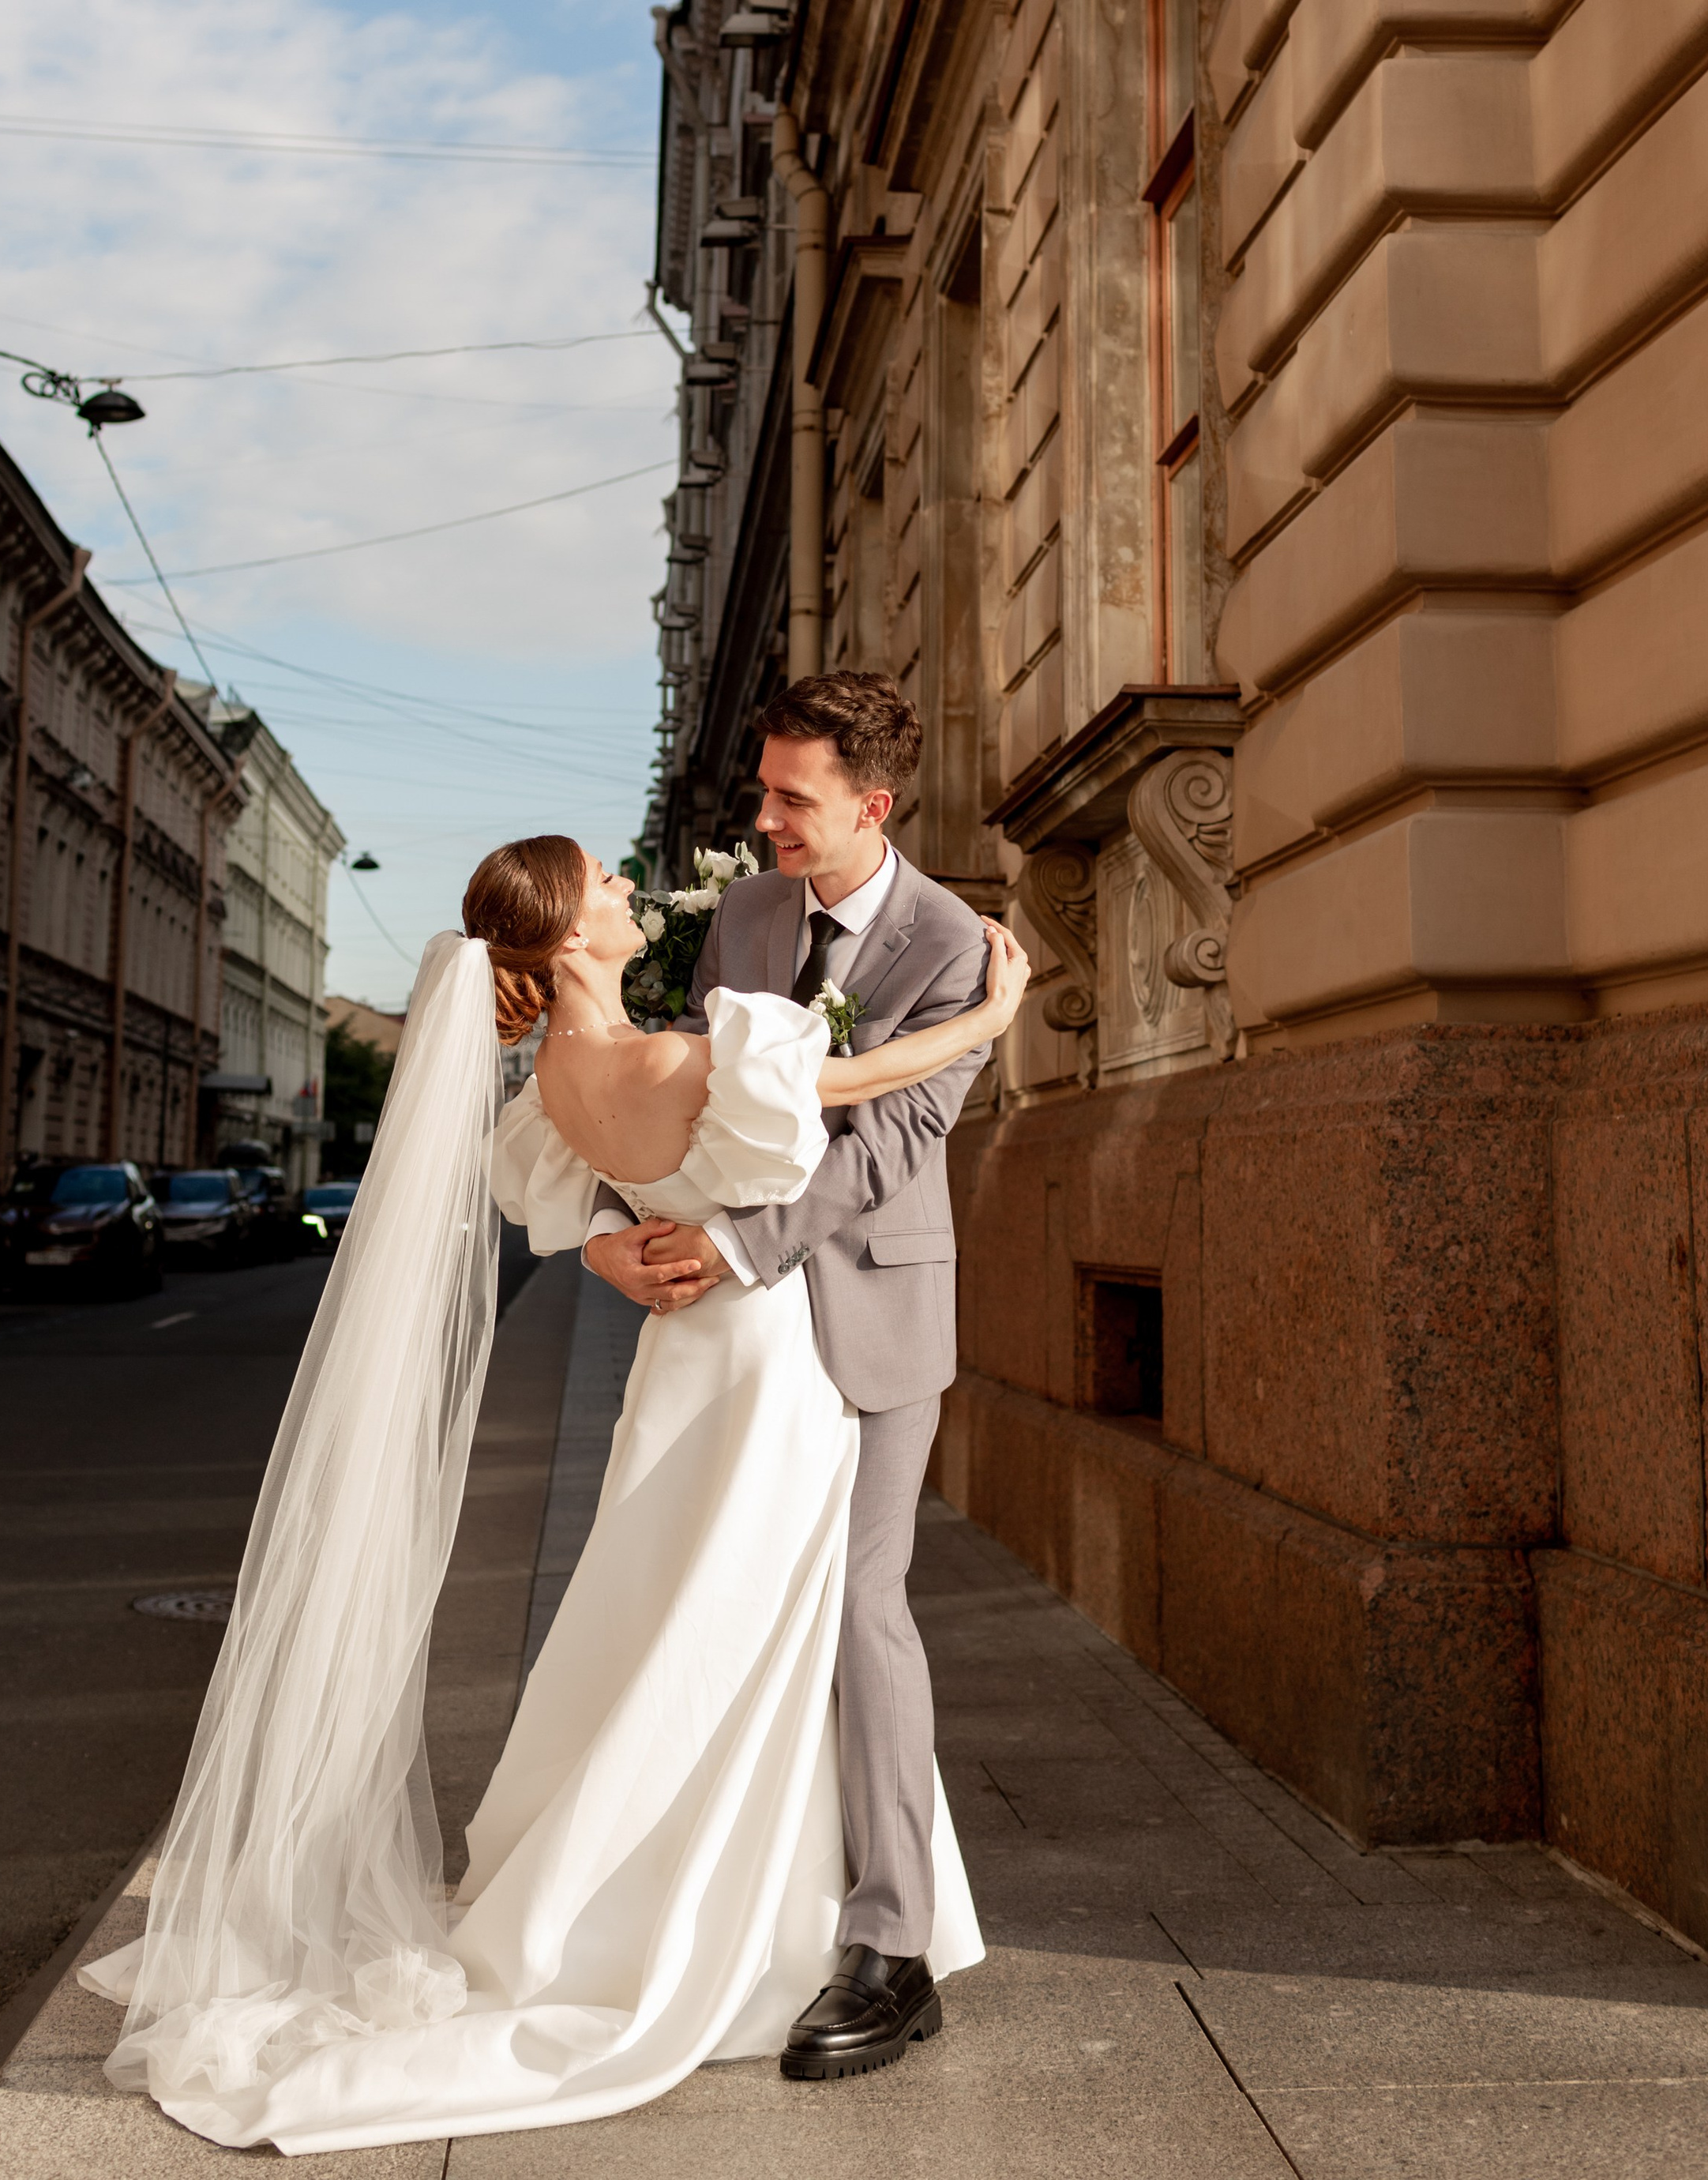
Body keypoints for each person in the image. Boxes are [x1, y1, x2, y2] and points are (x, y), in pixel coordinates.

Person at [79, 813, 1027, 2154]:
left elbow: (575, 1201)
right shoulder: (690, 1053)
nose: (633, 886)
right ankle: (756, 1916)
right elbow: (861, 1086)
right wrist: (992, 1015)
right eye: (606, 883)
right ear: (574, 934)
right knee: (753, 1625)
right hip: (764, 1360)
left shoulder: (559, 1085)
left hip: (676, 1367)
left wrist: (609, 1244)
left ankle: (729, 1895)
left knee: (661, 1614)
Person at [584, 670, 997, 2080]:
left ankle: (893, 1949)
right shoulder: (751, 916)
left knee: (862, 1605)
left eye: (791, 798)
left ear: (872, 805)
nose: (763, 819)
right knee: (721, 1596)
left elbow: (896, 1141)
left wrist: (736, 1247)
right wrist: (621, 1233)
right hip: (733, 1332)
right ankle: (718, 1912)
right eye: (763, 791)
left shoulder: (955, 946)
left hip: (870, 1310)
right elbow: (686, 1095)